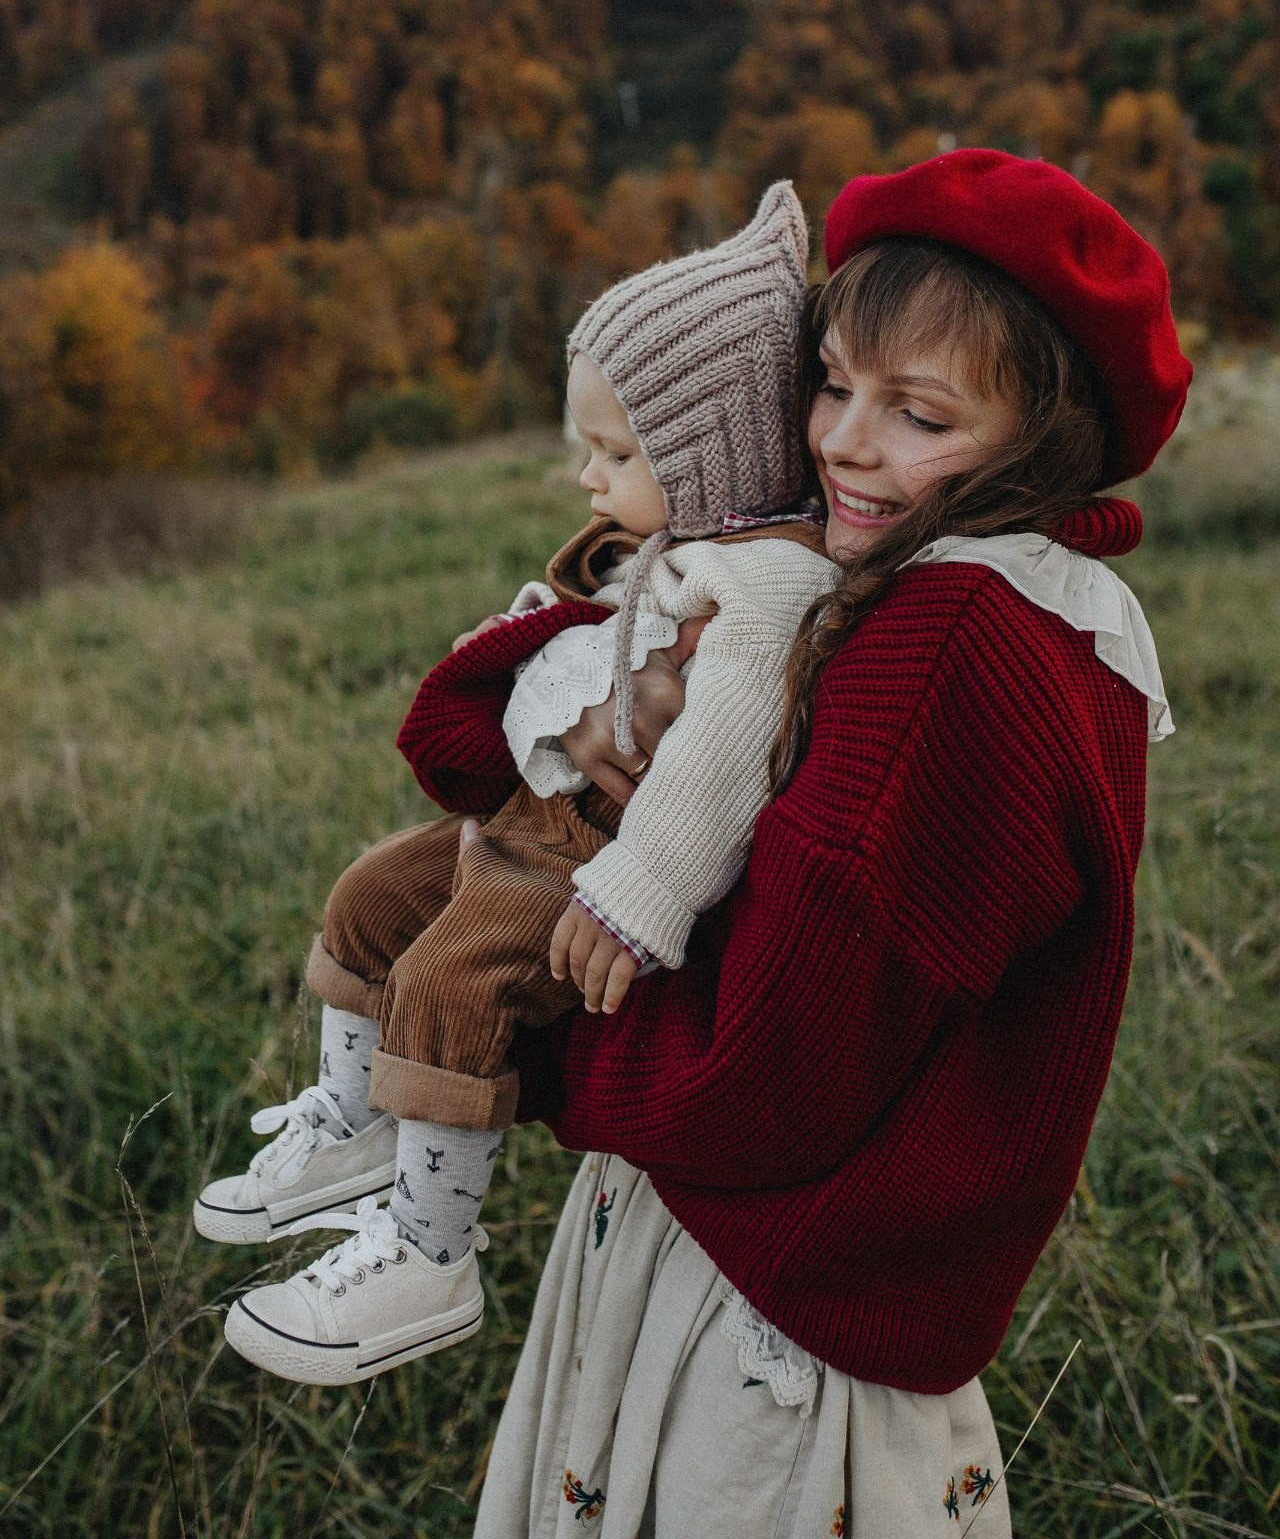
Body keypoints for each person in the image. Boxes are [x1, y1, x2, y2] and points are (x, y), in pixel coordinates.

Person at [402, 150, 1191, 1537]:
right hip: (834, 1282)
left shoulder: (946, 648)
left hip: (759, 1312)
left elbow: (760, 1077)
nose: (841, 442)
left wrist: (509, 1029)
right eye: (834, 383)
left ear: (1045, 437)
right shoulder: (1045, 617)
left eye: (921, 414)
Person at [195, 182, 842, 1386]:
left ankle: (427, 1255)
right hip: (525, 819)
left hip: (594, 854)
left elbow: (723, 747)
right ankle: (353, 1124)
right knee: (374, 897)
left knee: (451, 970)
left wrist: (641, 891)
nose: (587, 480)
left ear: (708, 451)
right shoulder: (671, 548)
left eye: (612, 453)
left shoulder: (764, 586)